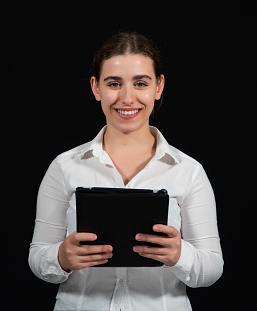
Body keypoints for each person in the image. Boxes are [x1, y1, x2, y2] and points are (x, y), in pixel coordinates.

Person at [29, 32, 223, 310]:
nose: (127, 97)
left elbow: (212, 266)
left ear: (158, 87)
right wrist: (60, 258)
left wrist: (181, 255)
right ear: (96, 88)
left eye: (141, 83)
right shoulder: (64, 167)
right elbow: (37, 256)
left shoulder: (189, 171)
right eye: (114, 83)